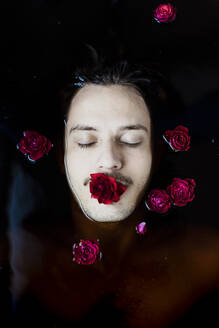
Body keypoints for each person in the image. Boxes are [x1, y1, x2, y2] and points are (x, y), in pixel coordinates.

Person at [7, 54, 219, 328]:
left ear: (155, 154)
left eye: (131, 140)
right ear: (61, 156)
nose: (109, 160)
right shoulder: (19, 256)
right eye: (86, 141)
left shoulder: (205, 263)